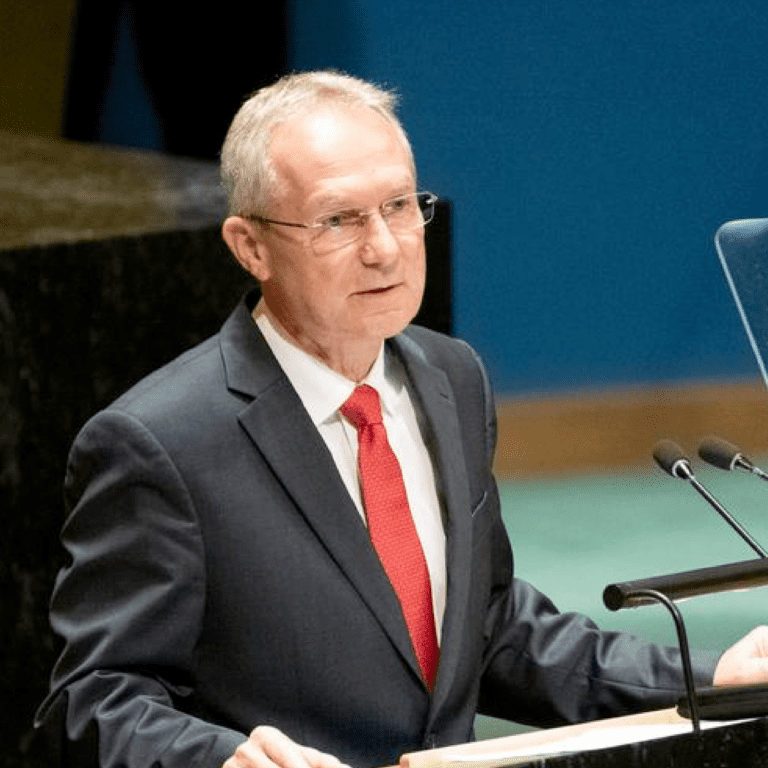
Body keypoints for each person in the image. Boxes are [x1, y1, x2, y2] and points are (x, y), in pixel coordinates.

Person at [36, 70, 768, 768]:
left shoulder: (452, 378)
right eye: (339, 220)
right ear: (250, 246)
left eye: (398, 206)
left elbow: (488, 631)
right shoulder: (159, 443)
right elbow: (92, 702)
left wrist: (705, 677)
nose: (385, 247)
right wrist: (220, 757)